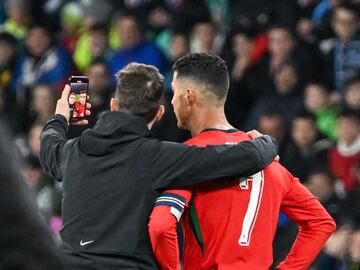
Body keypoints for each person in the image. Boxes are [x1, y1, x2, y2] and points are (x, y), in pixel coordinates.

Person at [39, 62, 278, 269]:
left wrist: (60, 117)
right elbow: (242, 158)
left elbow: (48, 146)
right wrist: (266, 142)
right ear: (160, 112)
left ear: (113, 104)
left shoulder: (72, 152)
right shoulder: (160, 158)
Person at [148, 53, 336, 270]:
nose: (171, 100)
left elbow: (161, 226)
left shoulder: (188, 159)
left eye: (175, 92)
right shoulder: (270, 162)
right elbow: (320, 223)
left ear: (189, 96)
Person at [0, 123, 63, 270]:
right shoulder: (20, 164)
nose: (37, 142)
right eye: (34, 137)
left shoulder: (58, 171)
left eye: (41, 138)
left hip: (50, 238)